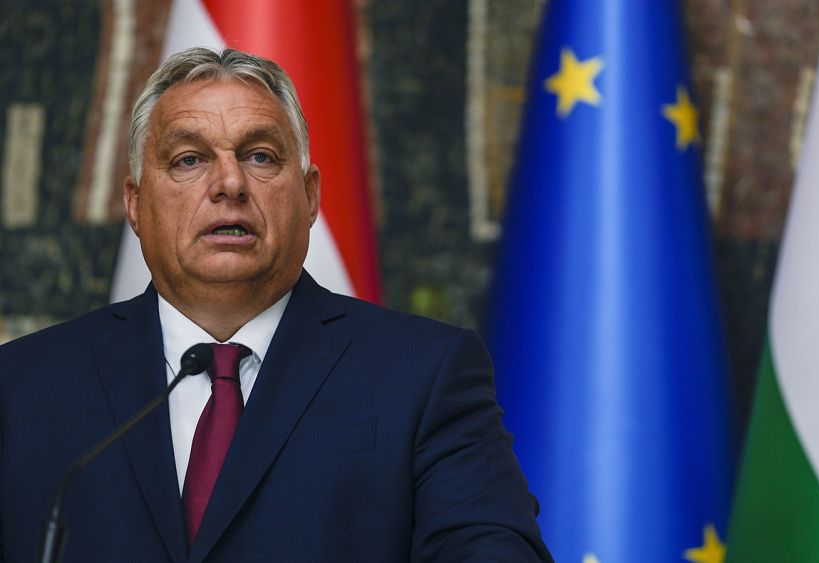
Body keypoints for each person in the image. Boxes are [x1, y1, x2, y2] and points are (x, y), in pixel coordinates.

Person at [0, 47, 551, 562]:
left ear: (310, 197)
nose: (230, 183)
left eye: (260, 156)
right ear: (135, 204)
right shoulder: (21, 388)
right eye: (189, 159)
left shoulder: (423, 375)